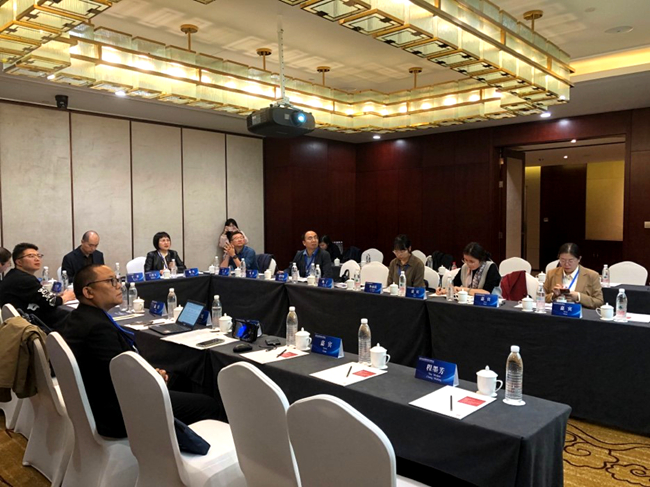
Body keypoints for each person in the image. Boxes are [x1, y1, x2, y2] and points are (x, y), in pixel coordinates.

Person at [59, 264, 221, 438]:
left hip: (99, 397)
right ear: (88, 292)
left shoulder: (79, 317)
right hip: (118, 412)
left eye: (118, 280)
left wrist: (151, 374)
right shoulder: (98, 329)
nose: (119, 286)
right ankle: (179, 449)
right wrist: (151, 378)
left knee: (179, 377)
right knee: (208, 404)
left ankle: (172, 434)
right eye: (111, 281)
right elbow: (121, 379)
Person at [0, 243, 75, 327]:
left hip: (20, 323)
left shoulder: (15, 275)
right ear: (19, 262)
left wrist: (56, 297)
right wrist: (66, 297)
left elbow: (39, 297)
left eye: (38, 256)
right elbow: (51, 303)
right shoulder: (24, 280)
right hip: (32, 326)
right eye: (31, 256)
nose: (37, 259)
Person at [543, 243, 604, 309]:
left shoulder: (592, 275)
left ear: (579, 259)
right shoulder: (551, 273)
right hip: (556, 312)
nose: (566, 264)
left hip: (580, 313)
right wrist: (554, 295)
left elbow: (599, 302)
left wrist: (578, 296)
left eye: (570, 261)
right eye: (562, 260)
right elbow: (541, 297)